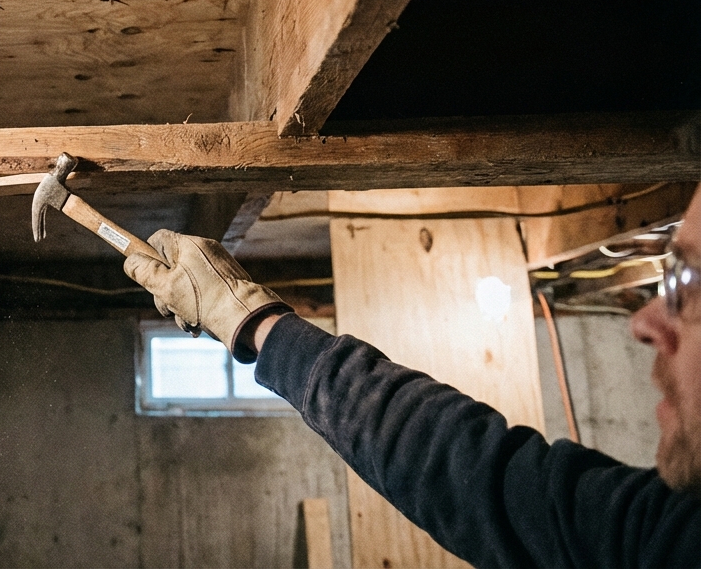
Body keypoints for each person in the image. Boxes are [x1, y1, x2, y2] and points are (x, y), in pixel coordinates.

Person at [123, 188, 701, 567]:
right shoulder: (667, 536)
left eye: (690, 284)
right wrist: (253, 322)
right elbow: (468, 471)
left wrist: (252, 321)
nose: (645, 321)